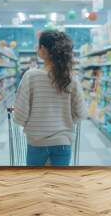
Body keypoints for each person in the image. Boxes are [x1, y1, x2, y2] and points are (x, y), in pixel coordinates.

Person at [13, 30, 87, 166]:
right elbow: (81, 113)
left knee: (36, 184)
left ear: (43, 50)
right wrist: (64, 121)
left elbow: (19, 116)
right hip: (63, 143)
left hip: (36, 143)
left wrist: (34, 123)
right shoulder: (71, 78)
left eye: (38, 46)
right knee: (58, 185)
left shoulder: (31, 76)